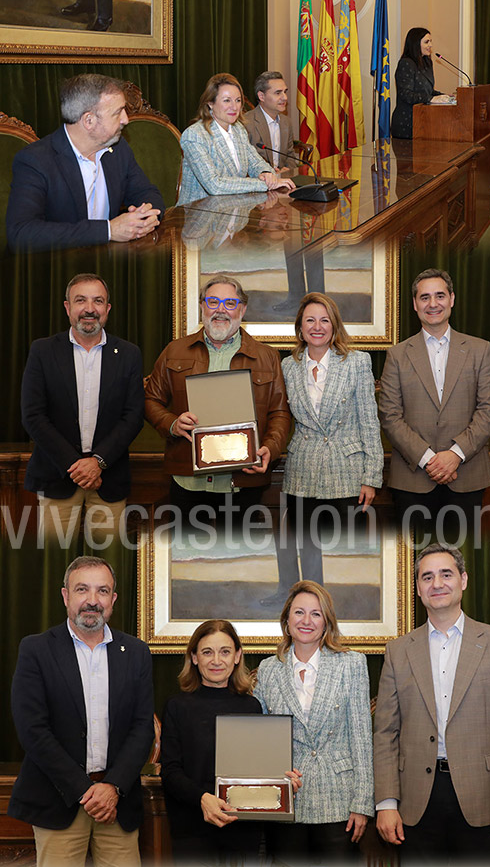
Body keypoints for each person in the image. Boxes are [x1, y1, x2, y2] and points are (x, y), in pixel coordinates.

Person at [374, 543, 490, 857]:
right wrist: (386, 803)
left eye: (446, 574)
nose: (437, 584)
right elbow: (385, 734)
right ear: (418, 588)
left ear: (463, 580)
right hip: (416, 802)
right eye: (427, 577)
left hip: (483, 799)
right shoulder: (398, 651)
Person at [9, 556, 155, 867]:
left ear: (113, 600)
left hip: (117, 803)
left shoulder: (135, 653)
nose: (92, 600)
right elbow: (33, 729)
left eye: (102, 591)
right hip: (58, 799)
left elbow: (142, 729)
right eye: (82, 590)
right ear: (65, 596)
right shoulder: (36, 650)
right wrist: (84, 790)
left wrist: (112, 787)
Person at [144, 273, 291, 527]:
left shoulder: (268, 357)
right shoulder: (174, 351)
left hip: (243, 482)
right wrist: (172, 423)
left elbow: (280, 413)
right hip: (188, 480)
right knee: (187, 560)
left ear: (242, 309)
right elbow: (150, 400)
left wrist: (271, 447)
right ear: (202, 306)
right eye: (213, 302)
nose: (220, 310)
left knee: (237, 561)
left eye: (230, 303)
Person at [268, 293, 383, 600]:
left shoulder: (358, 362)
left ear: (335, 326)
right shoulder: (287, 366)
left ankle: (340, 606)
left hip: (346, 472)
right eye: (310, 320)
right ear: (300, 327)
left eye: (324, 320)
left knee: (341, 551)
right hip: (302, 473)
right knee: (306, 549)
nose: (317, 327)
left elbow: (369, 421)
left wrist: (371, 476)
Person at [21, 273, 144, 540]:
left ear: (107, 309)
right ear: (68, 307)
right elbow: (33, 415)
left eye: (98, 301)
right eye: (81, 300)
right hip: (57, 476)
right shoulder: (42, 351)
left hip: (109, 480)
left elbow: (133, 416)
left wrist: (98, 462)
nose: (90, 309)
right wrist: (77, 466)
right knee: (53, 555)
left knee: (109, 555)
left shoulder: (129, 354)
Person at [255, 581, 374, 855]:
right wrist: (274, 775)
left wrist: (362, 804)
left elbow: (361, 737)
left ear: (326, 623)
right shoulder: (268, 669)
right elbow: (262, 740)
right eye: (299, 613)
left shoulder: (352, 664)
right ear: (286, 620)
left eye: (316, 614)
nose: (306, 621)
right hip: (287, 800)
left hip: (339, 801)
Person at [378, 268, 490, 533]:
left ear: (452, 299)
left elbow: (488, 409)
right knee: (412, 562)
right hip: (412, 480)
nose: (432, 304)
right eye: (424, 297)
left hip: (466, 477)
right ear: (414, 304)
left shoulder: (480, 349)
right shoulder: (397, 355)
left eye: (439, 296)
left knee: (460, 562)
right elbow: (389, 415)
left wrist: (455, 456)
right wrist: (428, 460)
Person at [6, 73, 164, 251]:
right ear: (89, 120)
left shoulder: (117, 148)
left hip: (111, 262)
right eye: (117, 112)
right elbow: (21, 232)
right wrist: (108, 231)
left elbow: (147, 192)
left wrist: (146, 216)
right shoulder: (36, 161)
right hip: (56, 268)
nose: (126, 119)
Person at [160, 619, 263, 856]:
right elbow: (171, 771)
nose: (216, 660)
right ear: (194, 657)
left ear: (237, 656)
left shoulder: (252, 707)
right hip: (192, 828)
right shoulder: (177, 706)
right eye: (207, 652)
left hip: (242, 827)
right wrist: (202, 798)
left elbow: (258, 771)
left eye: (225, 652)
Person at [177, 72, 295, 203]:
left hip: (235, 208)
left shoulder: (238, 129)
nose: (234, 107)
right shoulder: (195, 135)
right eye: (227, 100)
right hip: (199, 214)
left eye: (238, 100)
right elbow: (214, 185)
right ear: (210, 103)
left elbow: (255, 162)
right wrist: (264, 184)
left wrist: (267, 173)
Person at [390, 28, 451, 139]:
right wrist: (430, 99)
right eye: (427, 42)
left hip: (423, 122)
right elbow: (405, 94)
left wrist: (444, 96)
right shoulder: (406, 63)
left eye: (431, 41)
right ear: (415, 43)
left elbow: (428, 91)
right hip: (406, 123)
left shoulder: (427, 62)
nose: (431, 45)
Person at [244, 71, 295, 170]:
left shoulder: (286, 122)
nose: (285, 97)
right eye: (278, 93)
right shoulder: (246, 123)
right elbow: (245, 163)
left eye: (285, 92)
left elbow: (290, 156)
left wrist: (288, 170)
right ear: (261, 96)